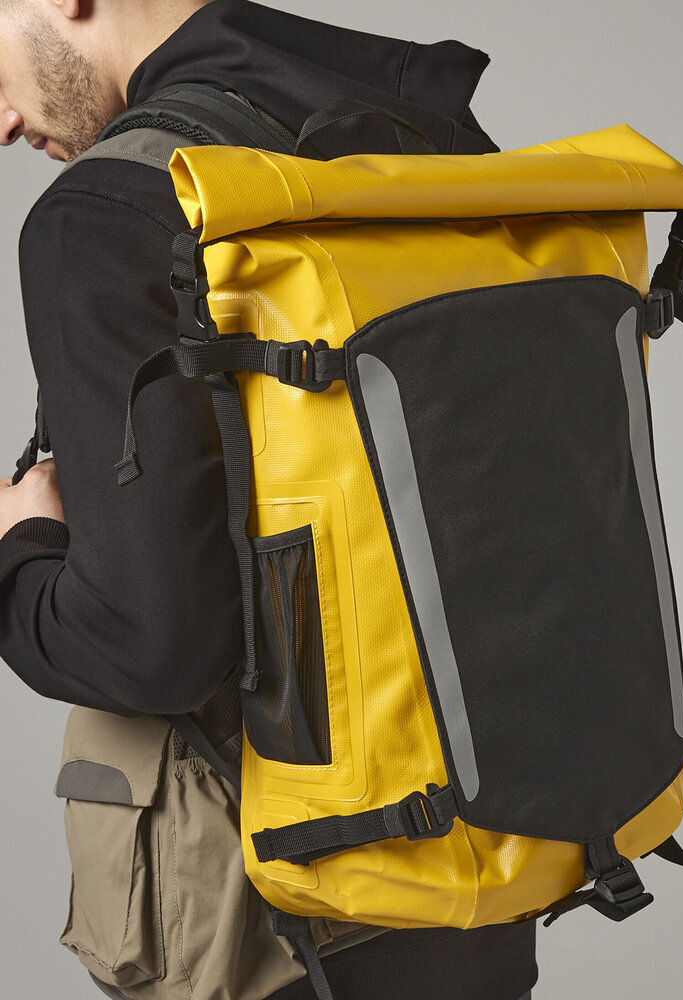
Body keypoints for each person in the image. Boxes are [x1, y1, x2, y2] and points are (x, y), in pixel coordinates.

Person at [0, 2, 537, 999]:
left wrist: (20, 549)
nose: (0, 123)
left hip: (274, 925)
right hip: (485, 866)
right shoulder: (428, 141)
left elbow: (153, 649)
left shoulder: (111, 211)